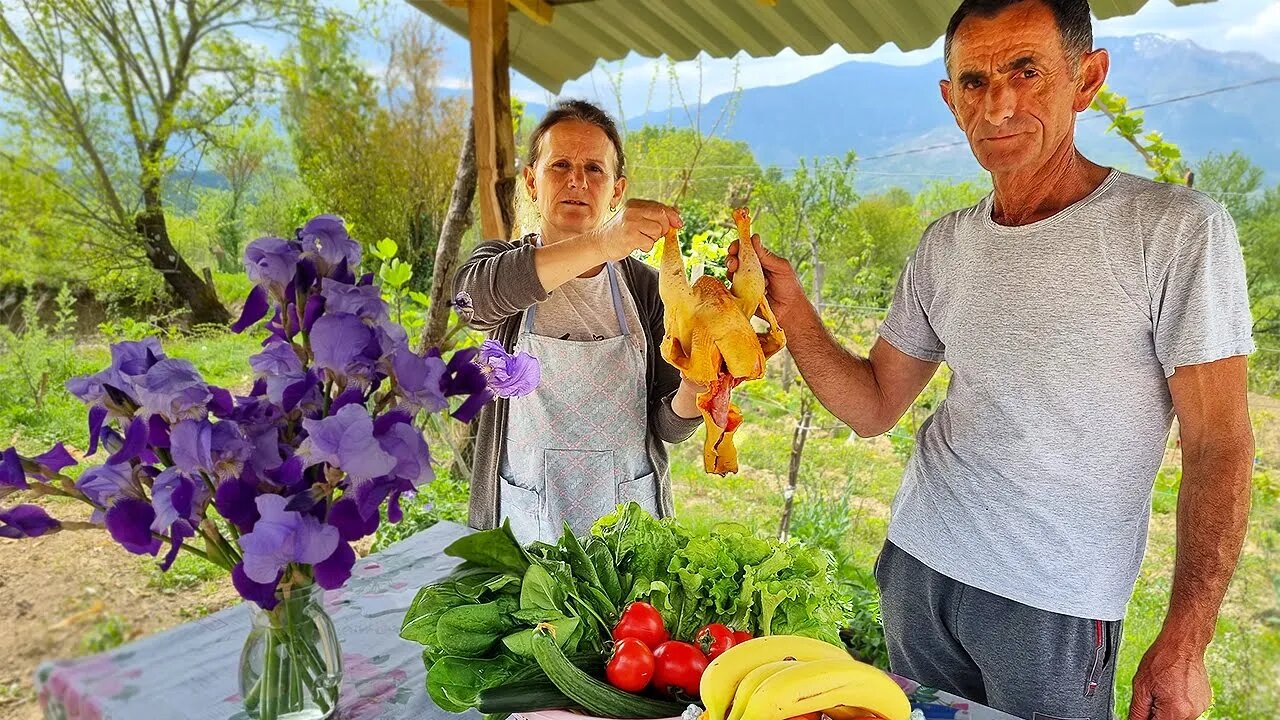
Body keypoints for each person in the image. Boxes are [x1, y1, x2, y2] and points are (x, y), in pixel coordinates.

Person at [727, 1, 1255, 718]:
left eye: (1026, 71)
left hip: (1055, 603)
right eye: (974, 82)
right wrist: (790, 309)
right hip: (919, 568)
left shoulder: (1173, 230)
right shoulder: (946, 244)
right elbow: (874, 404)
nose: (999, 104)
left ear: (1087, 78)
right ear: (950, 101)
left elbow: (1220, 441)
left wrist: (1187, 641)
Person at [453, 99, 705, 544]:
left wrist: (698, 387)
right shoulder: (497, 265)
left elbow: (668, 426)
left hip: (629, 519)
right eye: (560, 165)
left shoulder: (647, 290)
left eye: (594, 169)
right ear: (532, 182)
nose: (577, 180)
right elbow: (471, 303)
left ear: (617, 190)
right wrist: (601, 242)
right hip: (526, 517)